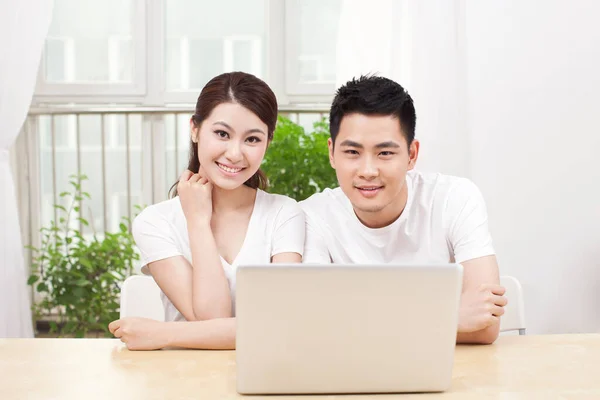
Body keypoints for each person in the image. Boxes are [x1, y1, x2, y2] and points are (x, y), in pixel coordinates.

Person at [300, 75, 507, 344]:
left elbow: (484, 326)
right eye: (352, 152)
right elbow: (314, 326)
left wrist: (358, 321)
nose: (368, 171)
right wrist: (447, 318)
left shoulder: (454, 199)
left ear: (411, 155)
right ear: (331, 153)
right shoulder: (312, 216)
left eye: (385, 153)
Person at [109, 72, 305, 350]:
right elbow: (213, 315)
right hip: (185, 379)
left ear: (267, 143)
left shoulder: (284, 214)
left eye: (252, 139)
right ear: (195, 129)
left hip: (267, 374)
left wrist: (164, 334)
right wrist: (198, 221)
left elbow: (276, 325)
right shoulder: (155, 222)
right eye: (222, 134)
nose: (235, 154)